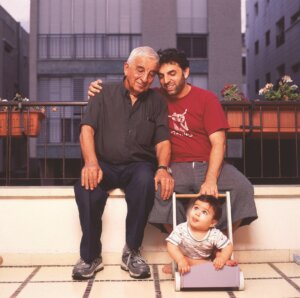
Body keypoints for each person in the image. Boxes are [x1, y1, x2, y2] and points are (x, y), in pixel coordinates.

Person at [88, 48, 258, 272]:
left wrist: (210, 178)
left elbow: (219, 143)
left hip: (208, 164)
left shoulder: (206, 98)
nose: (166, 80)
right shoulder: (154, 96)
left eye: (172, 73)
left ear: (185, 72)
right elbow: (131, 84)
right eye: (161, 75)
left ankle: (218, 249)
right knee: (158, 190)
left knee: (243, 188)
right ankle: (185, 255)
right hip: (175, 166)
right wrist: (95, 89)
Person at [72, 46, 174, 281]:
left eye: (151, 73)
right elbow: (86, 130)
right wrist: (90, 163)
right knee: (86, 187)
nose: (145, 78)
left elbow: (162, 140)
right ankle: (90, 256)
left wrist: (162, 168)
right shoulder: (102, 93)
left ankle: (132, 251)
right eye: (140, 70)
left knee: (145, 182)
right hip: (103, 163)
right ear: (126, 68)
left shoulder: (157, 101)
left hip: (138, 165)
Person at [167, 195, 233, 273]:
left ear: (212, 223)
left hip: (205, 259)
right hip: (185, 259)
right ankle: (214, 266)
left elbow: (228, 246)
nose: (197, 213)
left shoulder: (214, 234)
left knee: (218, 253)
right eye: (196, 208)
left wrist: (222, 258)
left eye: (204, 212)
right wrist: (180, 259)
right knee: (183, 260)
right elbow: (171, 244)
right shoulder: (181, 229)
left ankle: (219, 263)